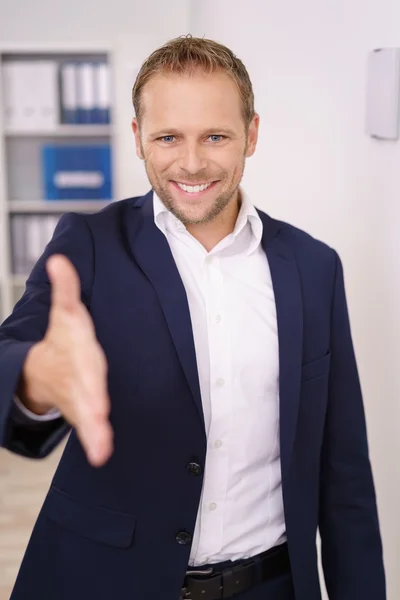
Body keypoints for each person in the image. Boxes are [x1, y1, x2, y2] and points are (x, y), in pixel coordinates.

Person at [0, 34, 385, 600]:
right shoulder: (90, 244)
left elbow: (344, 472)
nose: (192, 161)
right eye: (167, 137)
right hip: (106, 583)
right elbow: (11, 355)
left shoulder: (313, 267)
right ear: (138, 139)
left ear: (251, 134)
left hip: (270, 585)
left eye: (216, 136)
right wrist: (35, 379)